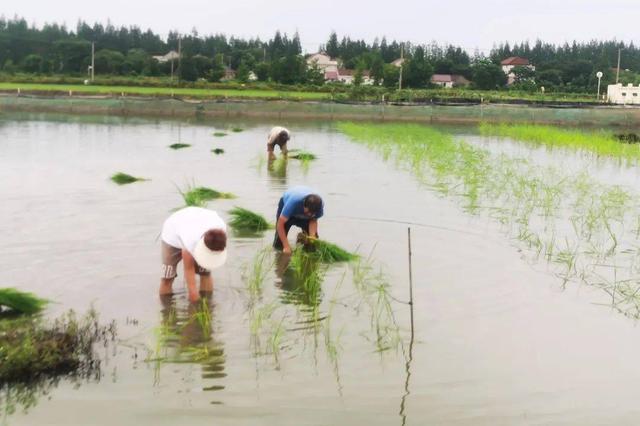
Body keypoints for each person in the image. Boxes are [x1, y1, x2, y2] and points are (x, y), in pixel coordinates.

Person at [159, 207, 228, 302]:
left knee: (205, 272)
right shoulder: (190, 238)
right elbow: (188, 268)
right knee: (167, 277)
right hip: (172, 234)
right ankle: (166, 310)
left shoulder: (221, 227)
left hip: (194, 222)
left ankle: (208, 304)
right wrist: (193, 294)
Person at [273, 186, 323, 254]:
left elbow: (313, 220)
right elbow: (280, 224)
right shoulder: (293, 203)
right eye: (308, 212)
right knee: (279, 244)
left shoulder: (319, 207)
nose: (310, 215)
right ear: (304, 205)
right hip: (288, 206)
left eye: (313, 213)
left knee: (312, 246)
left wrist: (312, 237)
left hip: (304, 211)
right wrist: (286, 246)